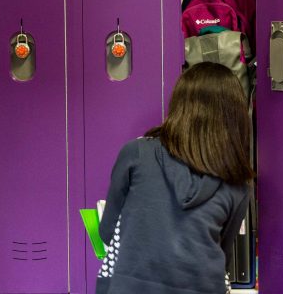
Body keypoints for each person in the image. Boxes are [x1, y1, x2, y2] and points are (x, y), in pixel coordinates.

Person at [96, 62, 254, 294]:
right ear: (235, 118)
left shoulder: (137, 153)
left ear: (180, 106)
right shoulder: (238, 184)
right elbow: (223, 253)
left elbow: (107, 232)